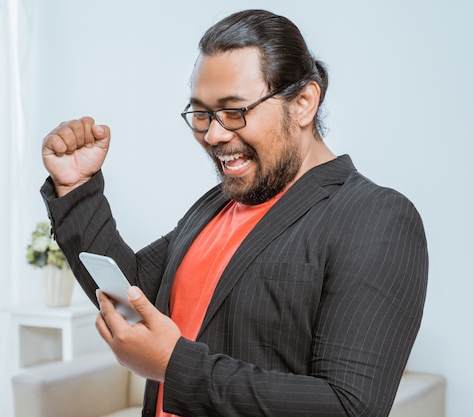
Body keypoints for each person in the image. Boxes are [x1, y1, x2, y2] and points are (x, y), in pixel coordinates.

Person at [39, 9, 428, 417]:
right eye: (202, 114)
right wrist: (77, 188)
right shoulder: (216, 205)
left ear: (303, 103)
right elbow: (132, 293)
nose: (214, 134)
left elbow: (350, 408)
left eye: (234, 111)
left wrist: (176, 366)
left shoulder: (375, 218)